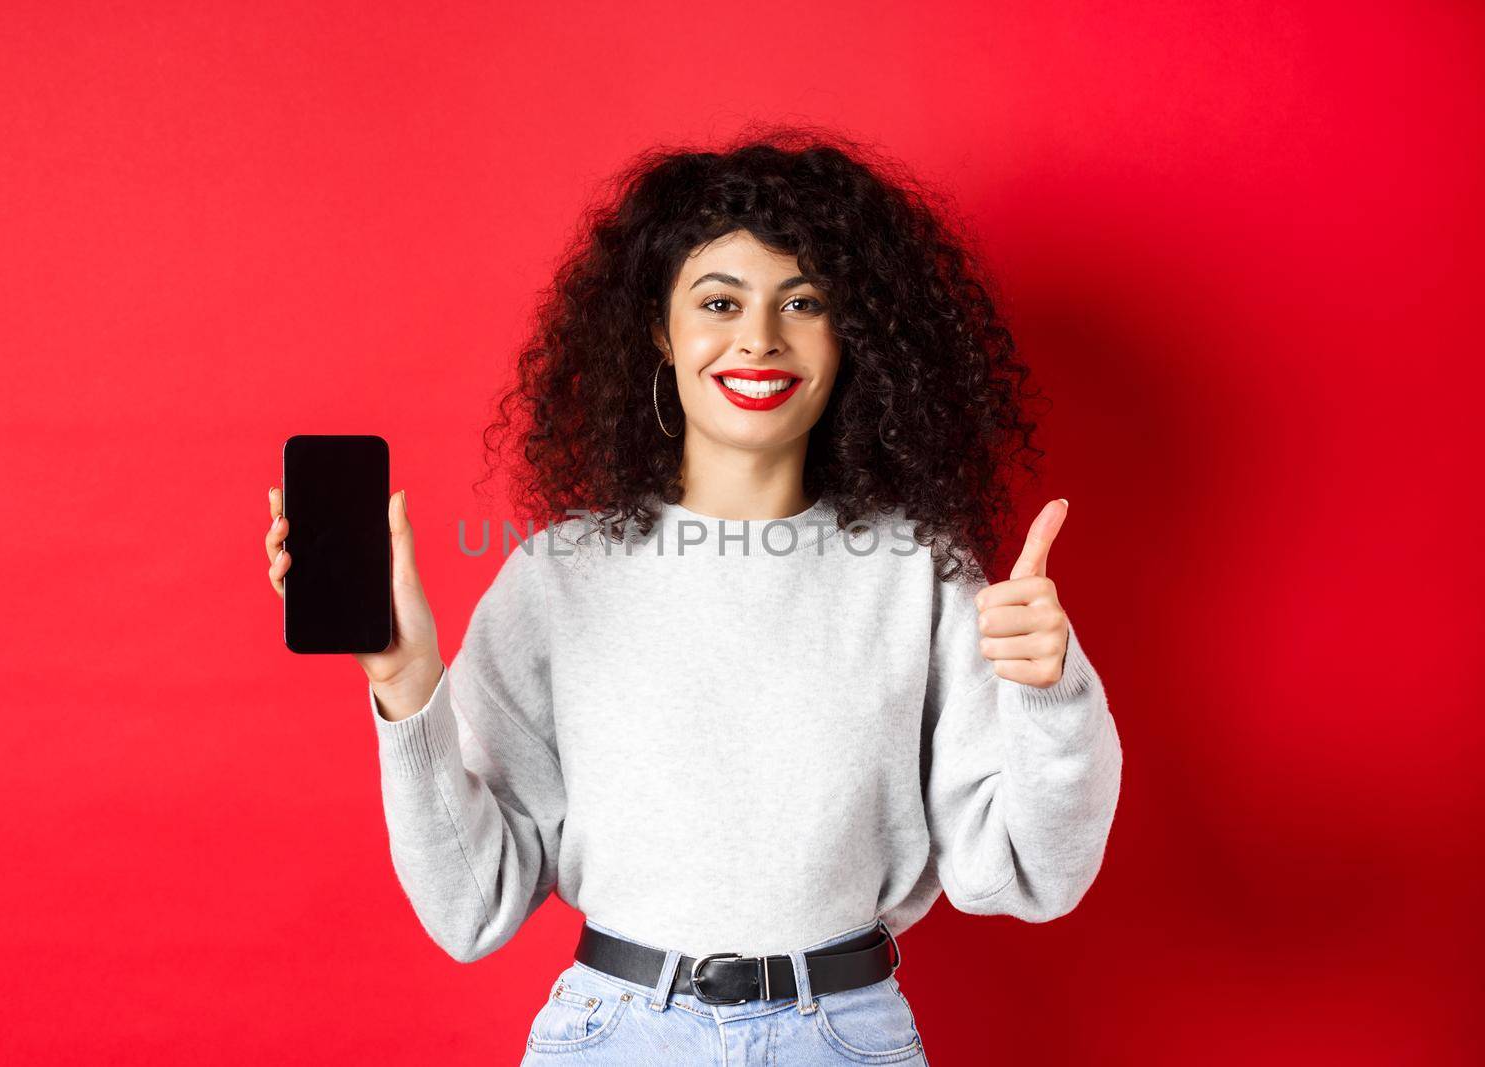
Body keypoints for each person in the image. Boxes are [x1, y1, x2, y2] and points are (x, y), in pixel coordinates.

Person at [264, 126, 1123, 1066]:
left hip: (845, 1036)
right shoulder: (560, 574)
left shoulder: (919, 574)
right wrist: (405, 681)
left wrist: (1051, 694)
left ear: (850, 339)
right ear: (660, 334)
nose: (760, 336)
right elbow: (472, 907)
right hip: (614, 1036)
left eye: (803, 301)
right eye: (720, 301)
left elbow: (1030, 875)